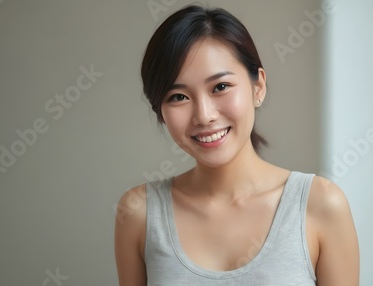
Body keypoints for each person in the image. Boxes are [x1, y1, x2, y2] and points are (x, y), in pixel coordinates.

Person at [115, 5, 359, 286]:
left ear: (258, 87)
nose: (204, 115)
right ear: (160, 109)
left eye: (220, 87)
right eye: (178, 96)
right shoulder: (139, 212)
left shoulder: (321, 204)